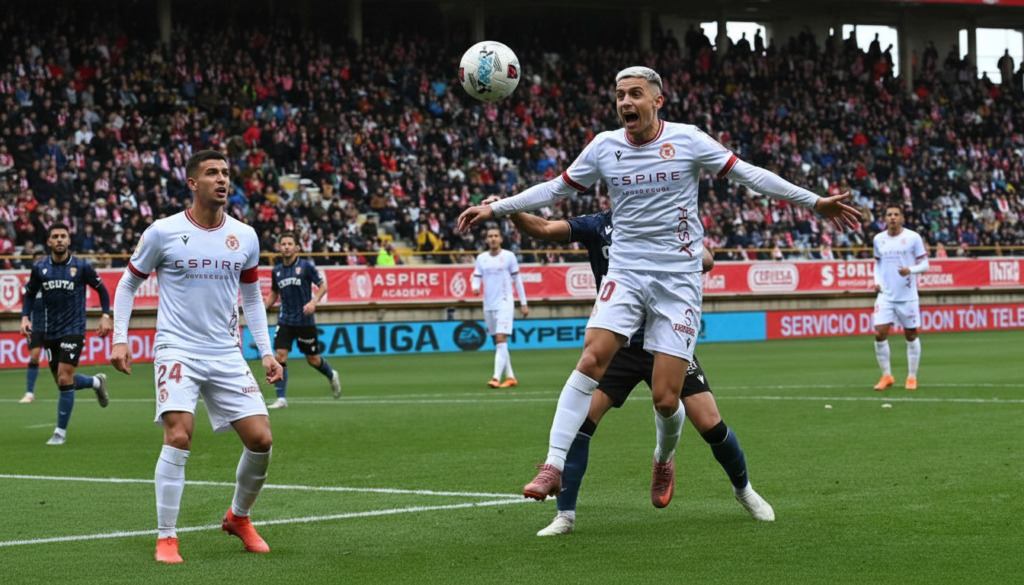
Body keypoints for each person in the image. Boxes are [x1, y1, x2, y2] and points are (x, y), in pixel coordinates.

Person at [457, 66, 859, 505]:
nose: (625, 102)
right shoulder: (604, 147)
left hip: (677, 280)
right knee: (592, 356)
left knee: (667, 400)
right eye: (619, 95)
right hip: (626, 274)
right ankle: (553, 464)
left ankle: (664, 457)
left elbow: (751, 174)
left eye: (635, 94)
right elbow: (556, 190)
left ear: (657, 101)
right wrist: (495, 210)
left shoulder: (688, 140)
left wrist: (814, 201)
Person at [502, 206, 773, 535]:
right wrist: (509, 209)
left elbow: (706, 261)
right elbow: (543, 228)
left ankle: (739, 489)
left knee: (710, 424)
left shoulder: (664, 219)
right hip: (618, 343)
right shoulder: (596, 225)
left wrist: (677, 242)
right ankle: (565, 516)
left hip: (667, 339)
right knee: (581, 425)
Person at [109, 150, 283, 564]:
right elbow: (127, 284)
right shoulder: (162, 232)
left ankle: (238, 518)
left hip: (225, 351)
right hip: (177, 349)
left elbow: (252, 297)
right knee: (179, 435)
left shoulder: (245, 235)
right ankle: (166, 537)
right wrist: (120, 338)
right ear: (192, 183)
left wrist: (265, 351)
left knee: (261, 440)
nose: (222, 179)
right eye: (211, 173)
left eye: (225, 172)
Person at [19, 224, 111, 444]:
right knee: (63, 382)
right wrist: (25, 317)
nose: (59, 240)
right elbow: (29, 294)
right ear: (49, 242)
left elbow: (102, 289)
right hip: (50, 331)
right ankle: (96, 383)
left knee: (64, 375)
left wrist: (106, 315)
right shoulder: (39, 268)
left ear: (69, 241)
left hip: (74, 330)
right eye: (55, 237)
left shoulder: (81, 266)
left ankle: (60, 432)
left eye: (63, 236)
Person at [264, 231, 341, 409]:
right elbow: (275, 293)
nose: (287, 247)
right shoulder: (276, 270)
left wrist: (314, 301)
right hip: (285, 320)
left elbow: (323, 286)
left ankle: (331, 374)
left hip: (305, 320)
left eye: (290, 244)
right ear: (279, 247)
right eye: (283, 244)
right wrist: (264, 307)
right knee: (280, 355)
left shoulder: (306, 266)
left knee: (312, 359)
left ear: (297, 247)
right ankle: (281, 398)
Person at [871, 204, 928, 391]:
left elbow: (925, 264)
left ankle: (912, 377)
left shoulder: (912, 238)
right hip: (885, 295)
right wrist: (877, 281)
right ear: (885, 218)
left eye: (896, 214)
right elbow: (878, 264)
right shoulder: (879, 239)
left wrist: (910, 270)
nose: (892, 218)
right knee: (880, 333)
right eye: (889, 215)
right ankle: (886, 376)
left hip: (907, 296)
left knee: (911, 334)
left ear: (902, 217)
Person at [472, 227, 529, 388]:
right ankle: (510, 377)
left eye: (496, 236)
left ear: (501, 239)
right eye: (490, 236)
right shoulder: (481, 258)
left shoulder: (509, 257)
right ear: (486, 240)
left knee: (500, 338)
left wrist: (523, 303)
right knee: (498, 343)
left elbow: (518, 281)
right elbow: (476, 276)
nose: (493, 239)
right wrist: (475, 287)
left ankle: (496, 378)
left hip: (505, 302)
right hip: (488, 304)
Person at [20, 250, 48, 403]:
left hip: (54, 326)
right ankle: (30, 393)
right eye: (37, 260)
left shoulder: (53, 280)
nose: (40, 263)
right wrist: (25, 322)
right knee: (34, 357)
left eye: (43, 259)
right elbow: (26, 307)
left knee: (59, 363)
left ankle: (68, 389)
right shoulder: (30, 284)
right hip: (36, 325)